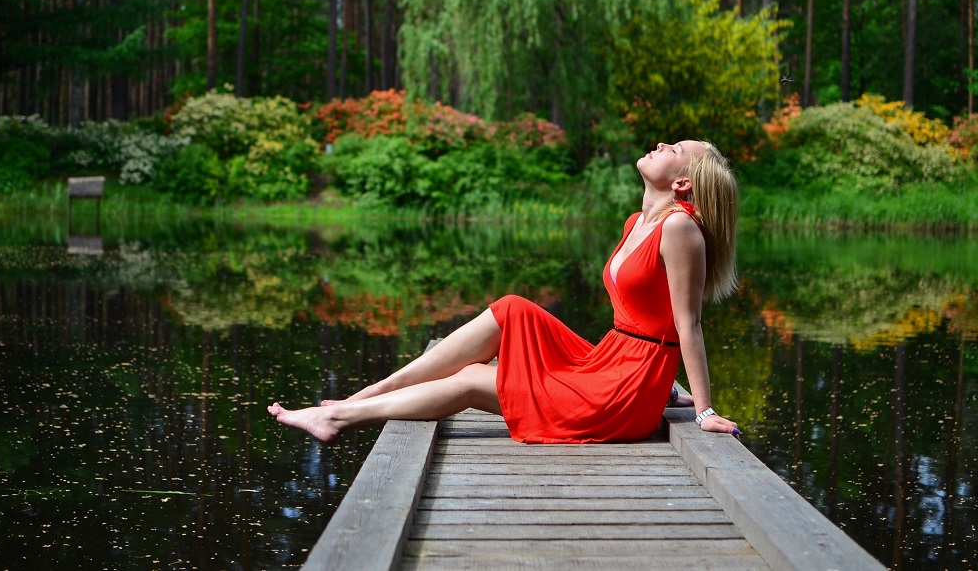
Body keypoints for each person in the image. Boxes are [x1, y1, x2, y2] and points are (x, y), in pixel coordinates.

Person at [268, 140, 741, 444]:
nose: (661, 143)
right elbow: (645, 316)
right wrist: (667, 388)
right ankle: (374, 390)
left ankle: (339, 419)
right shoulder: (637, 223)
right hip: (610, 361)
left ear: (683, 182)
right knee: (512, 308)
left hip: (622, 392)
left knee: (475, 380)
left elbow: (688, 325)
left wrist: (704, 412)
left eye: (675, 147)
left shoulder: (682, 230)